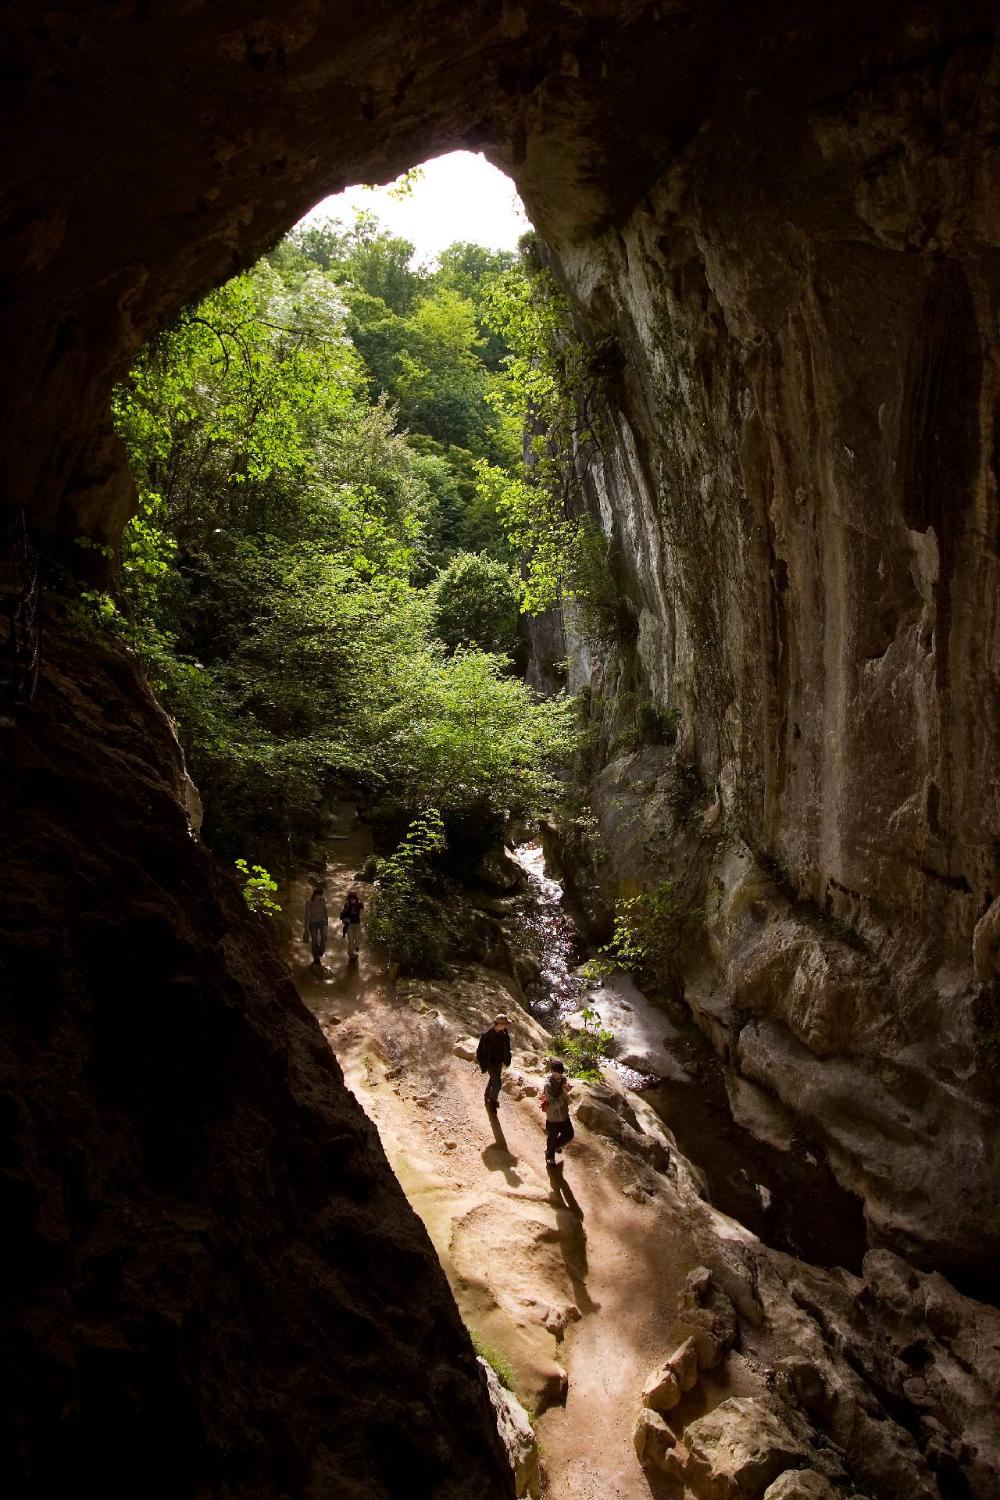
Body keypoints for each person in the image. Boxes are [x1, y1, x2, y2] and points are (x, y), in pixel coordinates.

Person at [476, 1013, 511, 1113]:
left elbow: (507, 1047)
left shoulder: (504, 1033)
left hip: (499, 1062)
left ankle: (487, 1094)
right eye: (505, 1024)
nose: (506, 1026)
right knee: (497, 1085)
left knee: (493, 1079)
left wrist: (507, 1059)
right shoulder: (486, 1035)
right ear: (499, 1024)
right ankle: (492, 1103)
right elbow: (480, 1050)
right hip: (490, 1062)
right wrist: (481, 1062)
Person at [542, 1059, 574, 1164]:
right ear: (551, 1071)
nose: (559, 1075)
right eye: (557, 1073)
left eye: (561, 1073)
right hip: (553, 1116)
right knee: (552, 1136)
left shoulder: (563, 1079)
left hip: (564, 1114)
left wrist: (567, 1087)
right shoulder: (548, 1085)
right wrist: (564, 1092)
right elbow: (554, 1104)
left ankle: (553, 1147)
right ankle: (549, 1155)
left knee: (569, 1134)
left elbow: (565, 1091)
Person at [303, 886, 328, 967]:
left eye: (320, 895)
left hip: (322, 921)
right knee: (314, 940)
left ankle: (321, 950)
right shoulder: (309, 902)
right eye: (318, 895)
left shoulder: (323, 900)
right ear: (314, 895)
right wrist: (306, 927)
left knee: (324, 936)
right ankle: (316, 958)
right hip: (312, 922)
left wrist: (327, 920)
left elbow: (325, 910)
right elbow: (306, 915)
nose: (319, 897)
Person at [341, 889, 364, 961]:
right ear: (349, 899)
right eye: (351, 899)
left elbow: (363, 912)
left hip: (357, 924)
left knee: (357, 939)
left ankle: (356, 946)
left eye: (354, 899)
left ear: (356, 899)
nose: (353, 900)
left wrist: (362, 914)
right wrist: (344, 921)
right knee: (351, 941)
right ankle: (350, 954)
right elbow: (342, 915)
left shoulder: (359, 904)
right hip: (349, 925)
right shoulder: (347, 905)